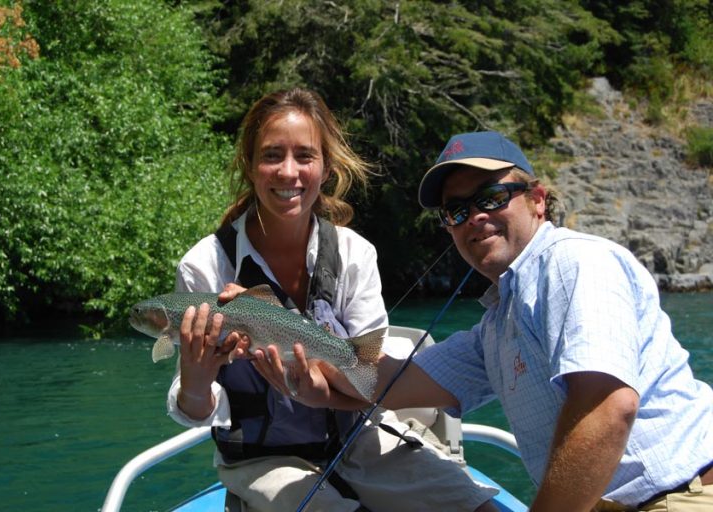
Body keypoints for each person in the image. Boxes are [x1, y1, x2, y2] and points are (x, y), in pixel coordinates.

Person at [256, 131, 713, 512]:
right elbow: (388, 381)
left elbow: (608, 410)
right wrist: (280, 328)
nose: (474, 218)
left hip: (684, 496)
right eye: (456, 210)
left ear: (537, 200)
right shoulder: (498, 324)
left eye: (491, 198)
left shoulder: (574, 264)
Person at [166, 90, 499, 512]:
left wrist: (323, 389)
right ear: (249, 167)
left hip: (361, 435)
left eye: (305, 156)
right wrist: (195, 381)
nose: (289, 172)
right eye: (272, 155)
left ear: (326, 167)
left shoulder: (354, 254)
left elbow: (374, 380)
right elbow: (196, 410)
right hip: (263, 460)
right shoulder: (205, 266)